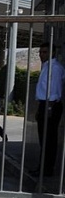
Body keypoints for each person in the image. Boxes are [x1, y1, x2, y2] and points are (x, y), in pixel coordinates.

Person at [33, 43, 64, 177]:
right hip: (44, 104)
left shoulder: (55, 68)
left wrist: (49, 108)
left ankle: (47, 169)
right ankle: (43, 168)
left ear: (52, 53)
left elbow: (55, 90)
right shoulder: (46, 67)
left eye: (45, 52)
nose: (41, 54)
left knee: (49, 139)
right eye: (40, 52)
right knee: (44, 139)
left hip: (50, 105)